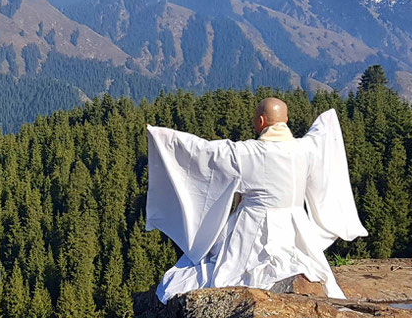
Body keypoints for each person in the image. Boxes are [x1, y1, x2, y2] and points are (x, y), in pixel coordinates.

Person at [145, 98, 367, 304]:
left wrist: (163, 138)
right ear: (286, 120)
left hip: (253, 226)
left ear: (260, 121)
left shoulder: (246, 154)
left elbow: (202, 153)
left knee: (224, 269)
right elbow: (322, 135)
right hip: (297, 228)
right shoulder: (306, 149)